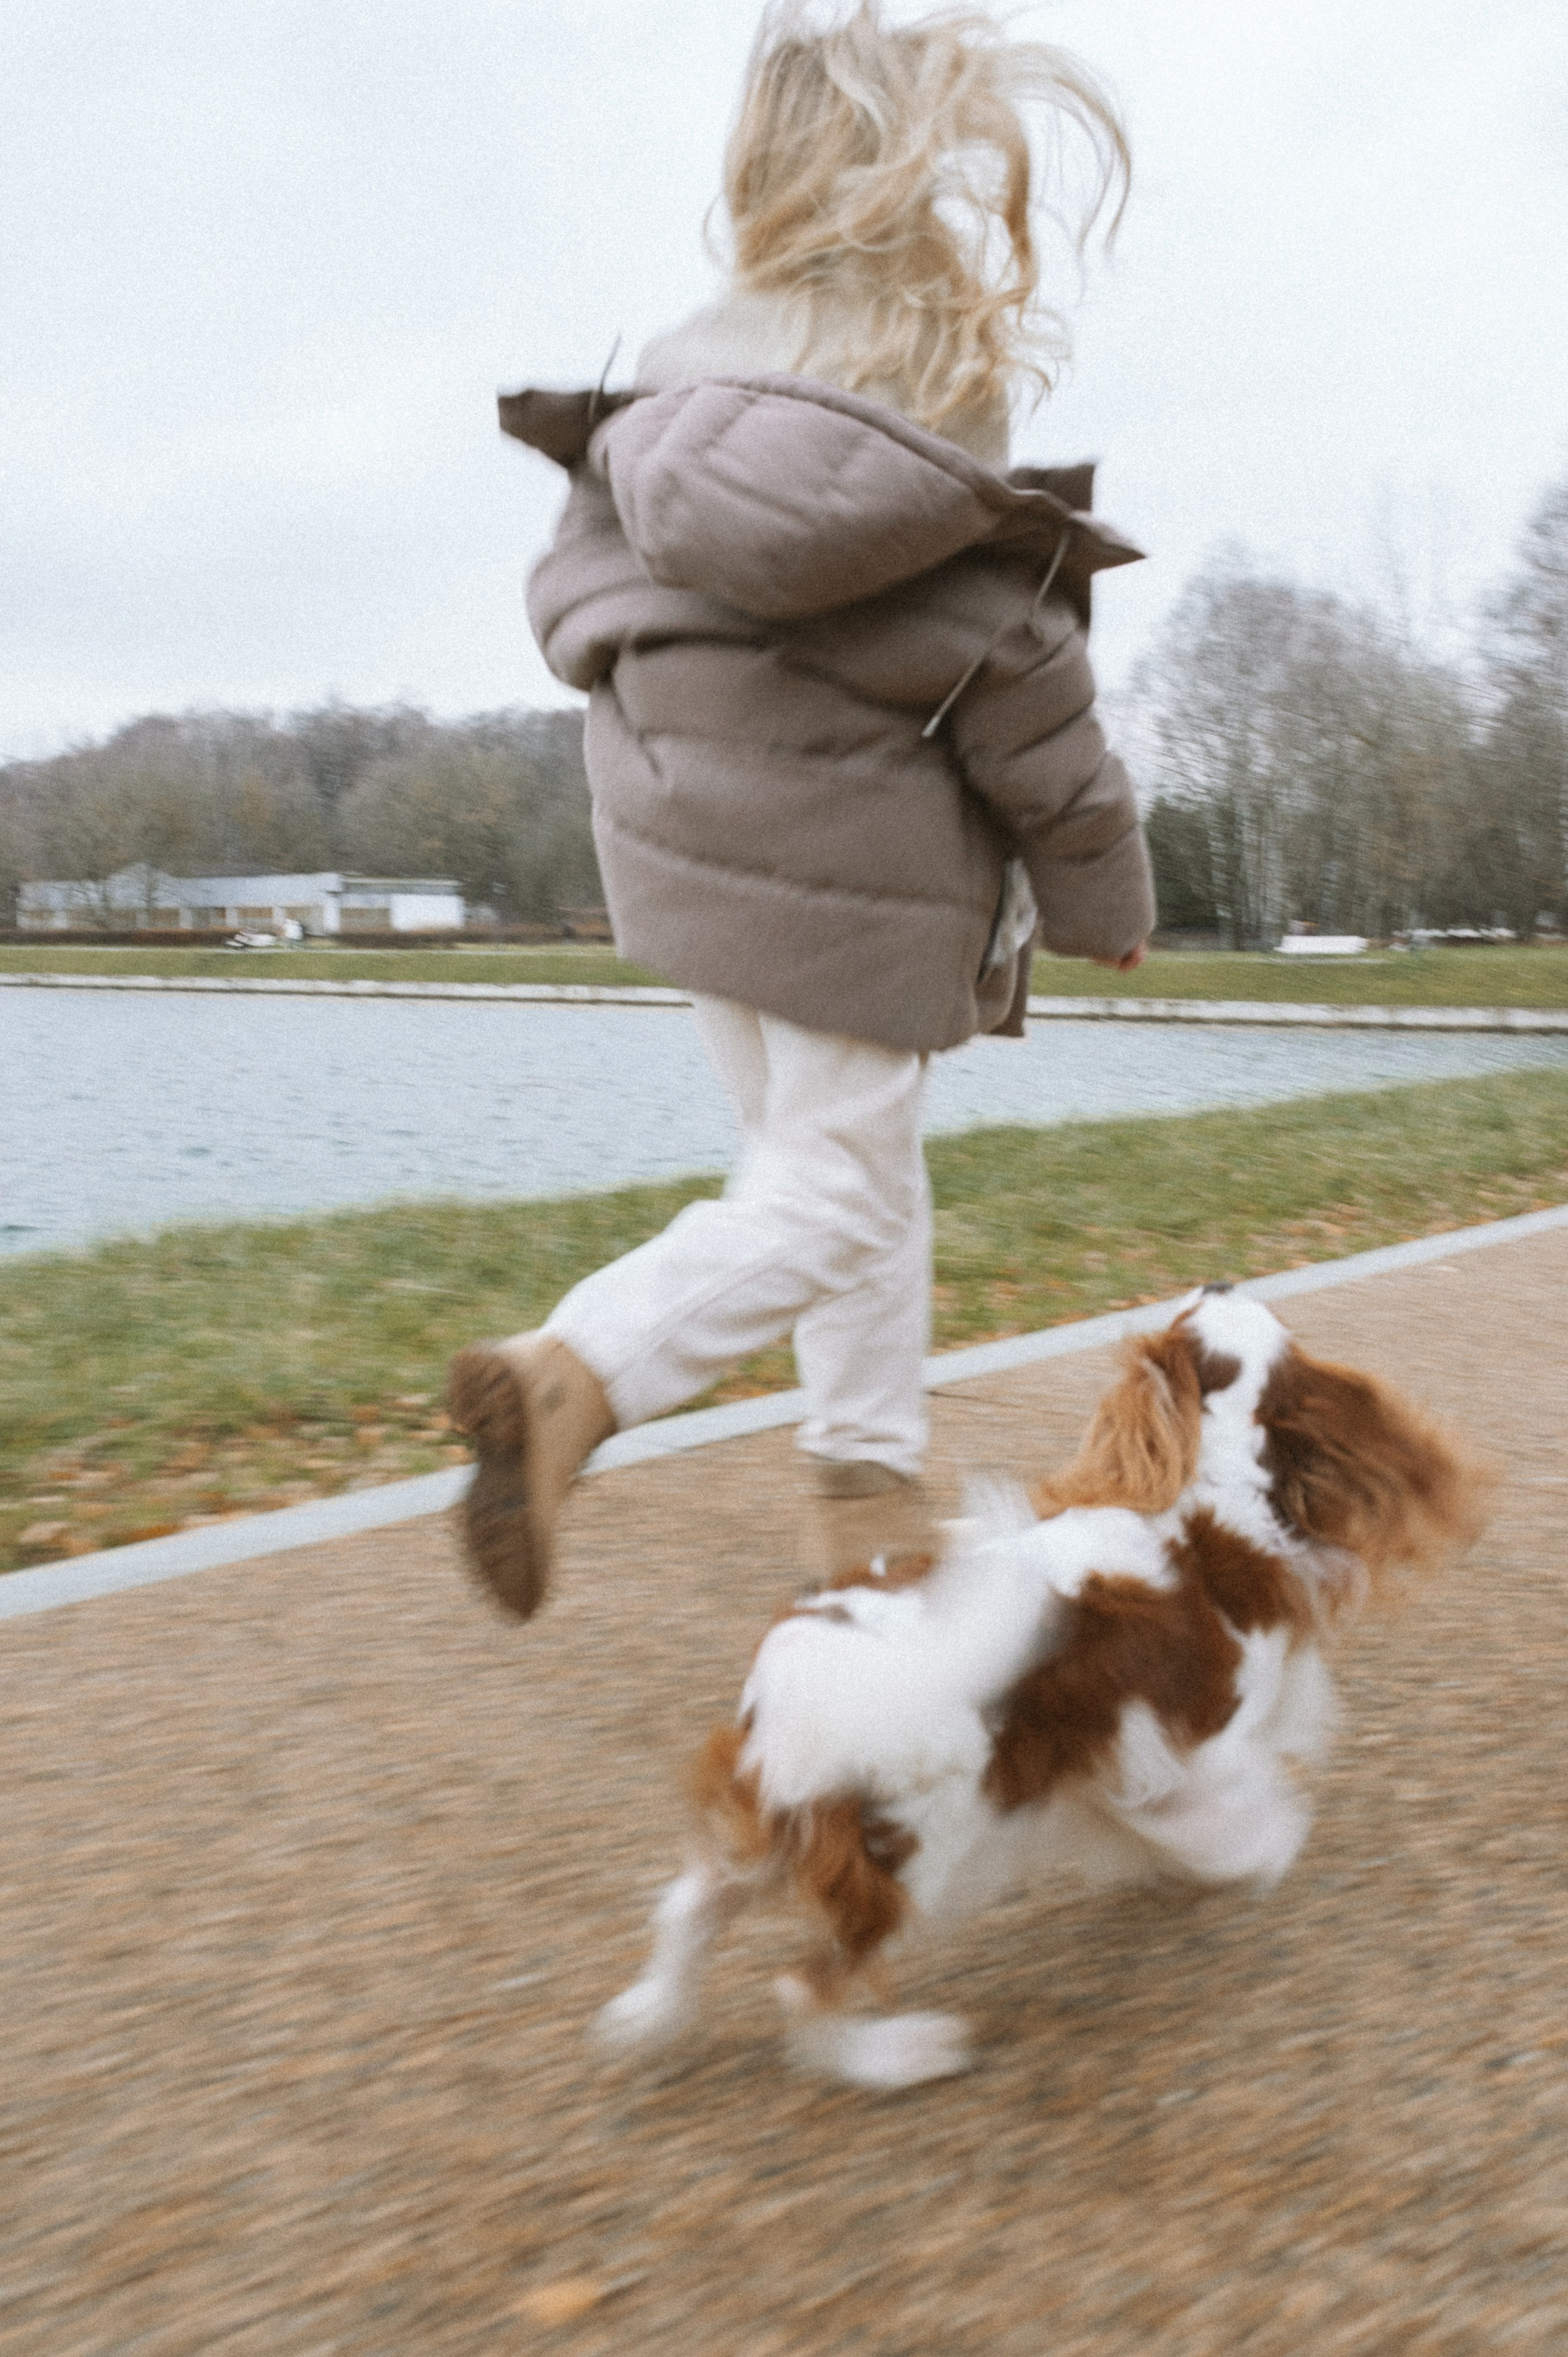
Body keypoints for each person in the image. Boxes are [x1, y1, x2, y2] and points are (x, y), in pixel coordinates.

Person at [450, 0, 1153, 1618]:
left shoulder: (662, 416)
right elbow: (1027, 692)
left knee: (835, 1169)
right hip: (851, 870)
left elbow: (580, 618)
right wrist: (1107, 901)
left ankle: (864, 1488)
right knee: (835, 1186)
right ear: (918, 188)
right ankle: (574, 1376)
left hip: (695, 857)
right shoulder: (919, 408)